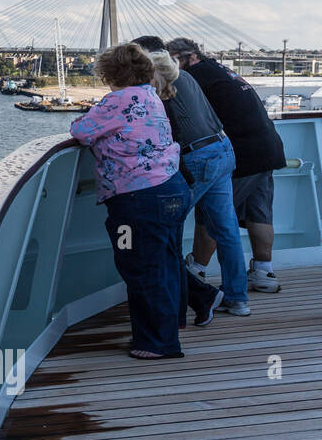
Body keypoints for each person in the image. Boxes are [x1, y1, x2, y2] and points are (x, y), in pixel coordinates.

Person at [71, 42, 190, 359]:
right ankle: (171, 326)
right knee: (167, 262)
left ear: (108, 73)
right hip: (173, 188)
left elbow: (81, 131)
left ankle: (158, 343)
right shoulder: (150, 95)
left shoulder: (117, 100)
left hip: (138, 198)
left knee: (140, 268)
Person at [132, 36, 248, 319]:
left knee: (166, 228)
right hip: (222, 148)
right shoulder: (185, 74)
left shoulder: (157, 80)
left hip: (197, 157)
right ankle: (238, 299)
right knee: (227, 230)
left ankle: (187, 297)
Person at [166, 38, 286, 293]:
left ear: (187, 57)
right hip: (267, 145)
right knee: (258, 212)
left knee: (213, 212)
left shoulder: (193, 77)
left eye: (172, 60)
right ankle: (263, 272)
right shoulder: (219, 70)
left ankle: (196, 268)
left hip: (242, 150)